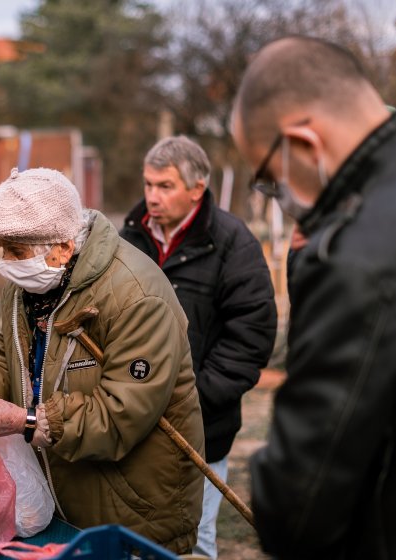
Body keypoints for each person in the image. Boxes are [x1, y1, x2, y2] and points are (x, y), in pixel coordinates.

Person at [0, 167, 205, 554]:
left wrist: (23, 422)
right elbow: (9, 373)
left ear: (63, 247)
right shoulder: (26, 288)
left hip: (131, 512)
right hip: (58, 504)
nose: (5, 262)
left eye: (16, 252)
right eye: (2, 249)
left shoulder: (136, 297)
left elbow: (120, 416)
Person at [231, 35, 396, 558]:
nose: (284, 198)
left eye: (272, 179)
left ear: (303, 145)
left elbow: (299, 500)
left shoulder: (361, 254)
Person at [119, 136, 277, 558]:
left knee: (196, 537)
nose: (152, 196)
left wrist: (196, 399)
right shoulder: (129, 238)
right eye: (149, 184)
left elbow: (251, 335)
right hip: (133, 419)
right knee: (137, 533)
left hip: (204, 424)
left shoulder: (232, 242)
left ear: (197, 188)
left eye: (165, 186)